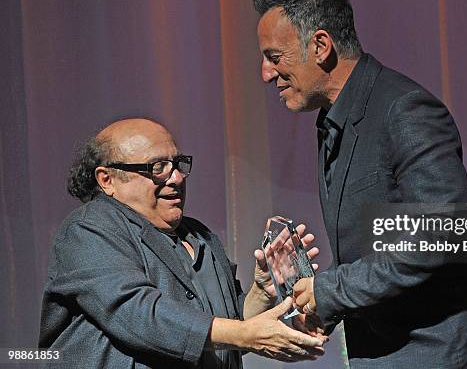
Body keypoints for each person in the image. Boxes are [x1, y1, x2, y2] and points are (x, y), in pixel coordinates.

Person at [253, 0, 467, 368]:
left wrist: (332, 291)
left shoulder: (403, 109)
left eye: (274, 57)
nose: (266, 74)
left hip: (440, 350)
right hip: (384, 349)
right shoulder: (332, 121)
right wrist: (319, 304)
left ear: (321, 45)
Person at [38, 118, 325, 368]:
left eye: (177, 164)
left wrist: (262, 292)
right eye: (157, 167)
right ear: (107, 180)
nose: (176, 177)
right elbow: (140, 315)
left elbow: (228, 325)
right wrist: (245, 335)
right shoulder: (88, 230)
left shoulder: (200, 236)